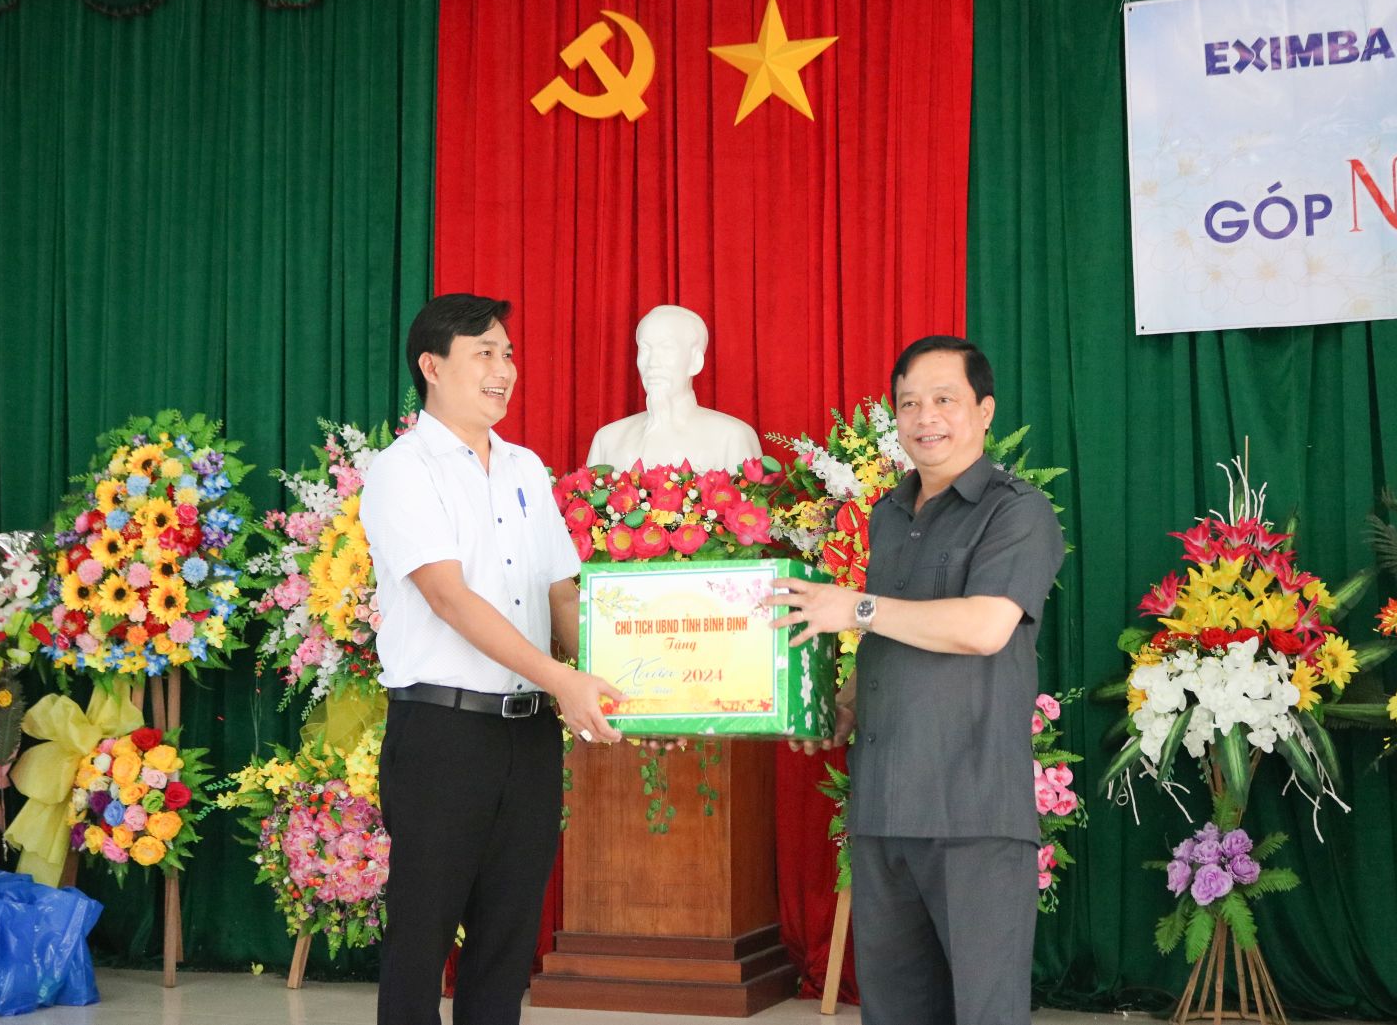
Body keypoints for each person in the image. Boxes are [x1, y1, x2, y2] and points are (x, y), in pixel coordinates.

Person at [771, 336, 1065, 1025]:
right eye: (909, 403)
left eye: (944, 400)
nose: (925, 417)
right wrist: (841, 704)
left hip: (972, 814)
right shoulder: (888, 513)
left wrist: (856, 607)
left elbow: (985, 626)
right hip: (882, 810)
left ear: (984, 410)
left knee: (984, 1012)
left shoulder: (1016, 510)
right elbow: (892, 634)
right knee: (894, 1011)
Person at [361, 293, 626, 1025]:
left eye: (508, 353)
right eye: (484, 353)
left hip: (529, 734)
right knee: (420, 942)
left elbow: (561, 593)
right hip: (442, 734)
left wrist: (621, 686)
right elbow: (449, 598)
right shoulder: (403, 470)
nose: (504, 369)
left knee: (507, 946)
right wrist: (563, 679)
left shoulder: (525, 468)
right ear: (431, 366)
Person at [586, 304, 762, 471]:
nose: (652, 362)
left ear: (695, 361)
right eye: (645, 349)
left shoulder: (732, 438)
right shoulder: (608, 440)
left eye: (667, 348)